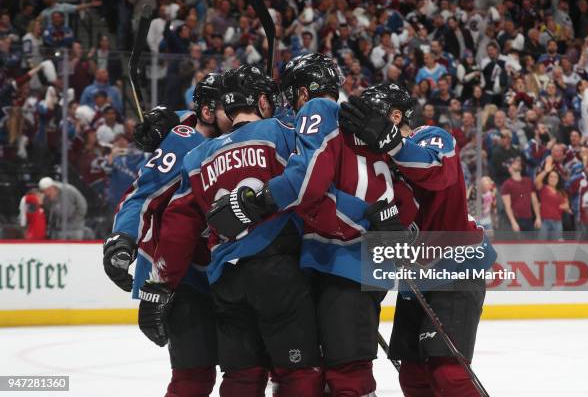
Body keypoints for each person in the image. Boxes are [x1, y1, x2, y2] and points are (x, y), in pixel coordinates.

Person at [207, 59, 419, 396]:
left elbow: (307, 183)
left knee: (345, 375)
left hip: (342, 255)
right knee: (337, 373)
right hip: (352, 260)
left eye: (293, 96)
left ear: (303, 90)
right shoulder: (355, 122)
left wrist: (257, 200)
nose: (290, 105)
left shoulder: (318, 108)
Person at [155, 65, 324, 396]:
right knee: (298, 372)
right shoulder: (282, 131)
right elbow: (313, 179)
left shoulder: (199, 156)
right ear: (262, 101)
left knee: (241, 377)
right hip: (278, 269)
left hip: (226, 280)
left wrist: (160, 284)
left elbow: (178, 227)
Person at [338, 86, 497, 397]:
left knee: (448, 374)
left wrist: (392, 142)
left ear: (395, 117)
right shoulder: (376, 165)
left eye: (372, 119)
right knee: (412, 376)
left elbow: (438, 171)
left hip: (457, 264)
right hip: (419, 273)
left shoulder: (430, 136)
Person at [102, 73, 229, 397]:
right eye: (227, 103)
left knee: (246, 376)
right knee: (193, 378)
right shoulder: (185, 141)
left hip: (232, 276)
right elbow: (142, 197)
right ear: (206, 112)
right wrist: (123, 239)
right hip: (186, 280)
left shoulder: (241, 138)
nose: (236, 108)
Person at [501, 157, 542, 234]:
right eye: (515, 163)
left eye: (518, 163)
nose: (518, 164)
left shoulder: (528, 181)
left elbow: (534, 201)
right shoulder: (507, 184)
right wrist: (513, 222)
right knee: (517, 245)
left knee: (531, 245)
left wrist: (538, 217)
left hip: (529, 218)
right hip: (516, 219)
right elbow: (507, 206)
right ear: (509, 168)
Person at [535, 156, 569, 240]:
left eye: (555, 177)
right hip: (544, 222)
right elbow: (537, 181)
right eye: (551, 176)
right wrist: (546, 171)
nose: (553, 179)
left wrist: (561, 206)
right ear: (548, 178)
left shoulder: (562, 192)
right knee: (541, 246)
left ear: (558, 179)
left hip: (557, 222)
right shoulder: (543, 188)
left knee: (555, 248)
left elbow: (567, 207)